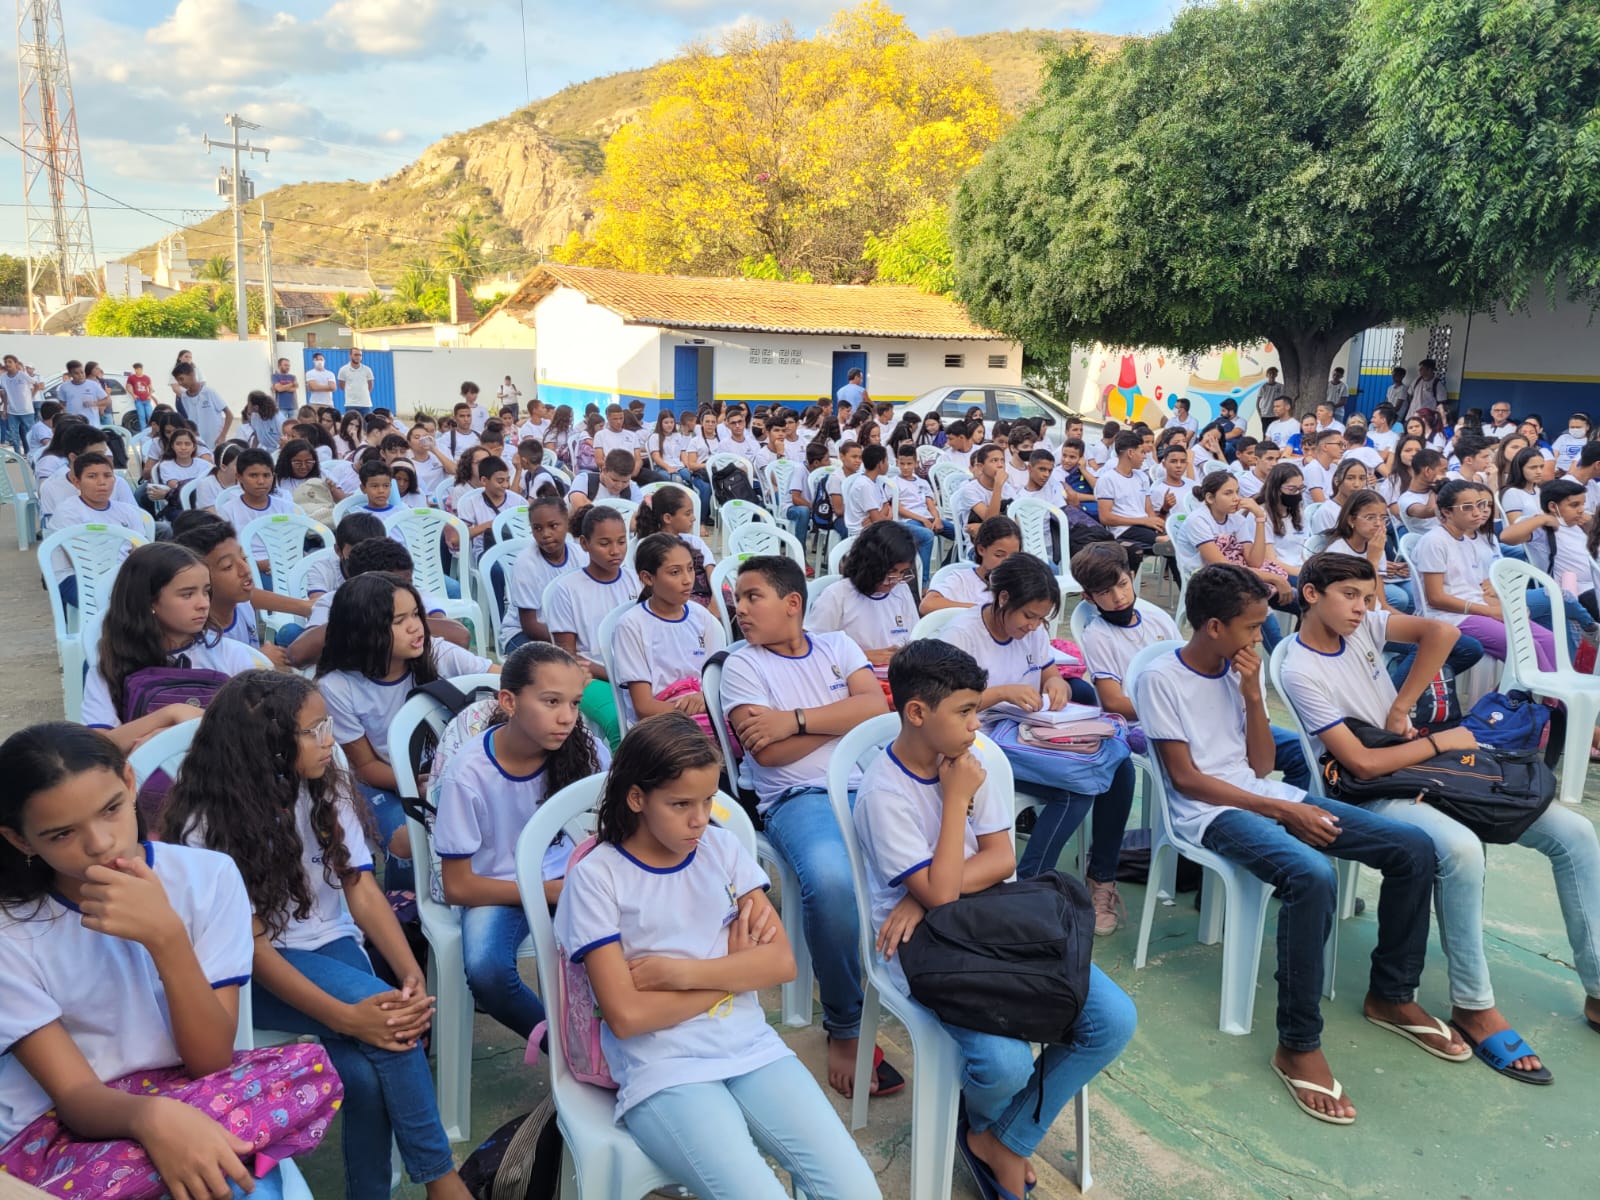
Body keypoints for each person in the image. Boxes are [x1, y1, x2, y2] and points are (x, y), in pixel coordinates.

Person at [1138, 562, 1454, 1124]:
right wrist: (1283, 809)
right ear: (1214, 626)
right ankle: (1298, 1044)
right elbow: (1186, 780)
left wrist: (1252, 695)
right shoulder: (1162, 678)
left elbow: (1260, 765)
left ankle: (1391, 994)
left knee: (1412, 847)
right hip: (1210, 814)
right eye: (1251, 627)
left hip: (1258, 793)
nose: (1259, 636)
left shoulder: (1240, 670)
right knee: (1310, 874)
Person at [1281, 551, 1600, 1082]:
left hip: (1419, 768)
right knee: (1460, 849)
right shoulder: (1299, 668)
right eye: (1350, 596)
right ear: (1311, 595)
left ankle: (1598, 988)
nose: (1362, 608)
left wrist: (1401, 706)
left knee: (1577, 832)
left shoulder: (1365, 627)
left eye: (1368, 597)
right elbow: (1360, 764)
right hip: (1367, 789)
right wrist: (1440, 743)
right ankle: (1473, 1004)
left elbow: (1443, 633)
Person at [163, 674, 472, 1200]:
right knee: (391, 1023)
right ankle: (443, 1182)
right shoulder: (207, 824)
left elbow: (362, 890)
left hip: (330, 942)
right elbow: (253, 949)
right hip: (251, 970)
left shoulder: (325, 785)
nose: (330, 740)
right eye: (315, 730)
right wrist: (346, 1017)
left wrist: (408, 970)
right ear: (268, 746)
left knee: (368, 1072)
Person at [554, 714, 881, 1200]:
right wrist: (734, 975)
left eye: (708, 800)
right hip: (663, 1070)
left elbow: (781, 965)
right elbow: (627, 1017)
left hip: (752, 1048)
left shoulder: (722, 848)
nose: (699, 818)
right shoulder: (597, 877)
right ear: (637, 798)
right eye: (680, 804)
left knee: (856, 1191)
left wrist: (677, 973)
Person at [854, 640, 1137, 1198]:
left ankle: (998, 1137)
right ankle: (992, 1126)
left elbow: (1002, 859)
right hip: (926, 948)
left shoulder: (970, 759)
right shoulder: (885, 794)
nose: (976, 724)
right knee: (1004, 1066)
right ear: (917, 712)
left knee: (1113, 1021)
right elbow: (942, 895)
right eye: (965, 711)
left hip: (992, 920)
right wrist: (953, 807)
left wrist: (929, 891)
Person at [0, 723, 312, 1200]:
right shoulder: (12, 930)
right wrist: (153, 1117)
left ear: (129, 782)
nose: (100, 843)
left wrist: (167, 939)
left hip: (197, 1093)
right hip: (66, 1129)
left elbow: (210, 1061)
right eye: (62, 834)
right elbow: (75, 1097)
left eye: (110, 809)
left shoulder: (207, 877)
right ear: (21, 840)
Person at [718, 555, 901, 1098]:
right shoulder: (741, 666)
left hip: (869, 785)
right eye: (738, 598)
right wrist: (842, 718)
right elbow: (768, 755)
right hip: (798, 798)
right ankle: (846, 1022)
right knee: (832, 882)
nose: (740, 608)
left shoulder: (838, 646)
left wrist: (795, 720)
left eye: (753, 597)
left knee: (945, 859)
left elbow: (876, 706)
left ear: (792, 603)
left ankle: (930, 990)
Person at [942, 554, 1138, 913]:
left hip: (1029, 731)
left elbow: (1049, 670)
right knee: (1077, 790)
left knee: (1119, 765)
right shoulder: (962, 635)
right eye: (1028, 616)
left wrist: (1056, 683)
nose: (1033, 626)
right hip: (978, 741)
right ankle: (1032, 884)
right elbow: (944, 705)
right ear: (1003, 598)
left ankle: (1101, 878)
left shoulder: (1032, 633)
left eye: (1041, 619)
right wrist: (1002, 693)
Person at [431, 643, 603, 1043]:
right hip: (498, 889)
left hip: (576, 878)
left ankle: (624, 1044)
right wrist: (547, 891)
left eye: (574, 703)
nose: (567, 717)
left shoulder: (587, 751)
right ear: (509, 701)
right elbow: (458, 885)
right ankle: (569, 1052)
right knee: (486, 970)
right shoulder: (468, 775)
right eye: (551, 701)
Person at [316, 573, 495, 890]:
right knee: (406, 838)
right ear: (363, 630)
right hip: (384, 781)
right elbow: (366, 766)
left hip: (452, 773)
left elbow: (504, 680)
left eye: (415, 614)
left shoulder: (437, 652)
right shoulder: (338, 686)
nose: (416, 627)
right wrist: (418, 785)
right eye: (399, 621)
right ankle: (406, 904)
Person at [1413, 479, 1557, 671]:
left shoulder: (1469, 540)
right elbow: (1435, 599)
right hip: (1450, 616)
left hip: (1477, 608)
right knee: (1528, 647)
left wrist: (1507, 608)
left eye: (1480, 505)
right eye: (1467, 507)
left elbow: (1476, 589)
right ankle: (1547, 691)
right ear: (1446, 512)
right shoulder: (1434, 541)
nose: (1477, 512)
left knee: (1548, 640)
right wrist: (1489, 611)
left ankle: (1536, 688)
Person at [544, 505, 639, 747]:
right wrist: (614, 674)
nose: (615, 551)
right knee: (618, 723)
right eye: (605, 543)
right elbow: (567, 656)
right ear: (585, 544)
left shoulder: (635, 581)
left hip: (634, 675)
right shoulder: (568, 589)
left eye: (621, 542)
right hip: (589, 677)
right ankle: (620, 772)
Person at [612, 534, 726, 727]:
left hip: (706, 711)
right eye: (675, 572)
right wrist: (700, 708)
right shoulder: (632, 625)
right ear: (648, 578)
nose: (687, 580)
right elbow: (644, 707)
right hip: (660, 724)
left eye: (690, 568)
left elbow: (717, 680)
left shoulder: (701, 616)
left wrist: (706, 697)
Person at [173, 518, 312, 663]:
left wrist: (304, 606)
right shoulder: (197, 639)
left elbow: (254, 597)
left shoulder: (240, 603)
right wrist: (259, 660)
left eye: (244, 558)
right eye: (228, 566)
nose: (245, 569)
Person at [806, 521, 919, 668]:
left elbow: (914, 637)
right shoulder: (838, 595)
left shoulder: (901, 590)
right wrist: (863, 656)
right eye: (891, 572)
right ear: (870, 566)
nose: (896, 580)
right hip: (852, 673)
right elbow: (814, 651)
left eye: (902, 572)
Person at [502, 495, 584, 652]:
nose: (545, 534)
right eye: (537, 528)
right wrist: (568, 644)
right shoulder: (526, 563)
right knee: (553, 663)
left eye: (553, 526)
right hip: (523, 634)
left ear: (567, 522)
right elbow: (530, 625)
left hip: (568, 632)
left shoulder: (580, 555)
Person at [1321, 489, 1415, 613]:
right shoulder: (1338, 552)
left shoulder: (1374, 546)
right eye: (1370, 517)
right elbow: (1367, 608)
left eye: (1383, 518)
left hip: (1376, 614)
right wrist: (1373, 561)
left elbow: (1382, 604)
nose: (1378, 524)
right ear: (1351, 520)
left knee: (1428, 624)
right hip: (1356, 615)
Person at [921, 516, 1019, 613]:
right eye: (999, 555)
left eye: (1014, 556)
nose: (1007, 563)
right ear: (981, 549)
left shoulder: (1020, 582)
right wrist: (980, 610)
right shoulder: (962, 579)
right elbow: (927, 605)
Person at [1093, 430, 1164, 564]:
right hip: (1124, 530)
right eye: (1141, 452)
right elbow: (1105, 518)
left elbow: (1148, 509)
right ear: (1131, 453)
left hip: (1144, 527)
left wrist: (1155, 523)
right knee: (1166, 543)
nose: (1144, 457)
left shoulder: (1142, 476)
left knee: (1176, 540)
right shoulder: (1107, 479)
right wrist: (1143, 521)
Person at [172, 364, 231, 449]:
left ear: (192, 374)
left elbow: (229, 415)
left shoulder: (209, 392)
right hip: (198, 443)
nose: (180, 383)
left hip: (215, 442)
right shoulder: (184, 398)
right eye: (178, 381)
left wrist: (222, 435)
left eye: (181, 379)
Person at [338, 349, 376, 415]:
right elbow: (341, 386)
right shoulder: (343, 370)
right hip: (350, 404)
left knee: (366, 421)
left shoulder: (367, 370)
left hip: (365, 404)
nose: (358, 357)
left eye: (360, 355)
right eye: (355, 355)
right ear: (350, 355)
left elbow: (370, 385)